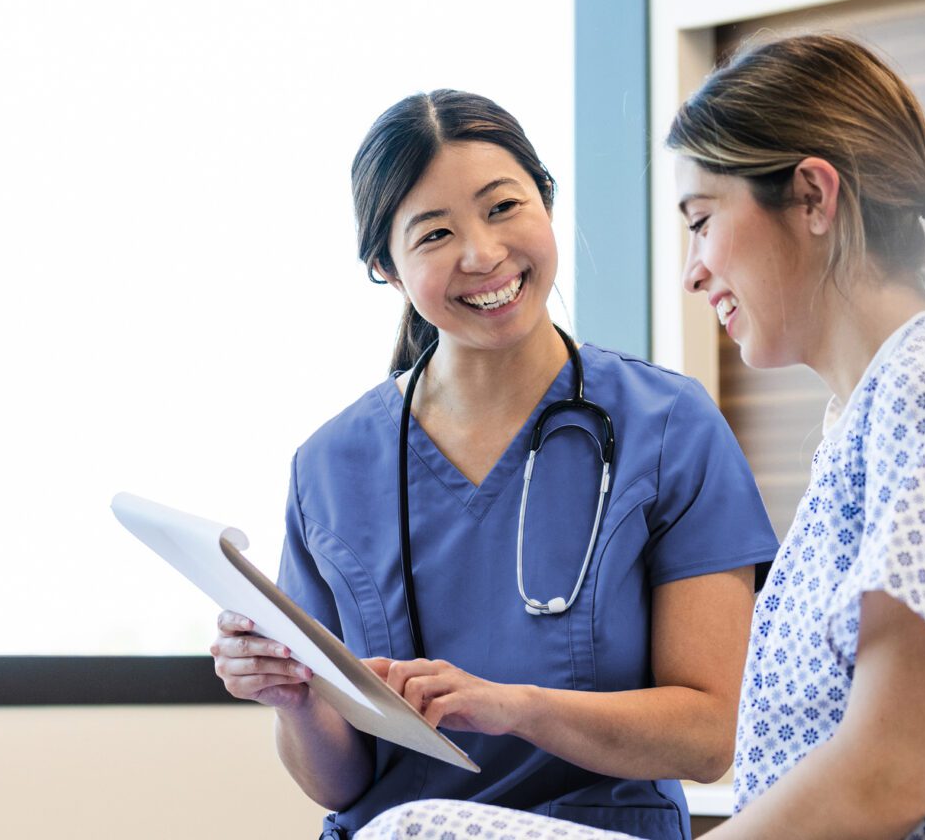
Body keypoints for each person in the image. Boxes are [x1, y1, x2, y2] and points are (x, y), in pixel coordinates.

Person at [360, 34, 925, 839]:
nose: (693, 267)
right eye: (432, 232)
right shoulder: (871, 408)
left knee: (418, 831)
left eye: (701, 220)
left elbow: (887, 772)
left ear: (811, 195)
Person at [211, 89, 779, 840]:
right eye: (435, 232)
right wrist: (294, 701)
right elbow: (340, 783)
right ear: (386, 266)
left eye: (503, 207)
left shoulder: (667, 426)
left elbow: (710, 736)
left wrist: (513, 707)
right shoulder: (330, 467)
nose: (481, 254)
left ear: (545, 202)